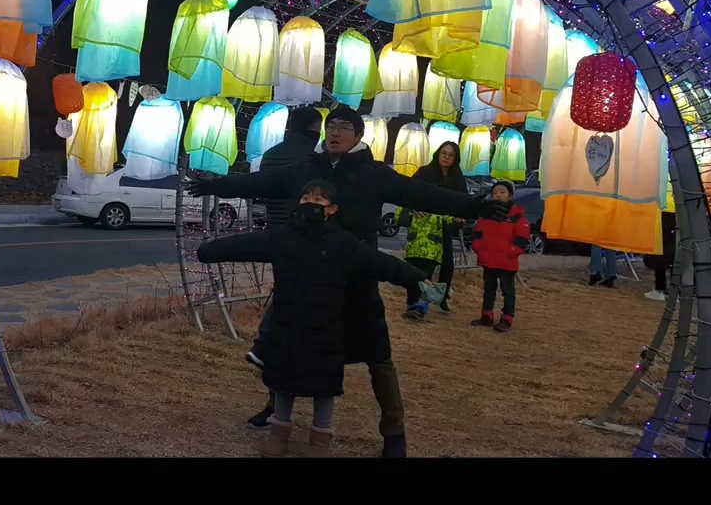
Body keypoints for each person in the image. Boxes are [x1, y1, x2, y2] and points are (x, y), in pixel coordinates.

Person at [185, 106, 509, 457]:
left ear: (358, 135)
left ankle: (393, 431)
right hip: (306, 277)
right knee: (286, 345)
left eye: (343, 127)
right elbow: (261, 182)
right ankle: (274, 410)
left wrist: (474, 207)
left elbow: (423, 194)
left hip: (356, 274)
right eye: (330, 127)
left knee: (377, 355)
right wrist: (216, 185)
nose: (335, 133)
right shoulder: (307, 170)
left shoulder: (374, 174)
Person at [197, 180, 433, 458]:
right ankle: (278, 434)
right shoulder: (283, 236)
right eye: (306, 198)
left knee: (324, 388)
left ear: (332, 209)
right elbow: (244, 244)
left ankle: (320, 442)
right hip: (287, 324)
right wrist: (208, 251)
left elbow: (381, 264)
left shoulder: (344, 243)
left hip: (327, 328)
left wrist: (417, 278)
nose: (310, 203)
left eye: (318, 201)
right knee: (283, 383)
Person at [244, 106, 322, 371]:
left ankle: (269, 350)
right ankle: (270, 348)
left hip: (276, 228)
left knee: (286, 287)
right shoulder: (315, 157)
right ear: (315, 128)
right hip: (306, 233)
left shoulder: (271, 154)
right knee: (298, 295)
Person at [398, 142, 469, 321]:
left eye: (450, 155)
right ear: (437, 154)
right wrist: (414, 208)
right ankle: (417, 302)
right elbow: (408, 192)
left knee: (447, 265)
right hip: (423, 227)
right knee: (419, 266)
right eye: (443, 153)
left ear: (455, 158)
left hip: (445, 226)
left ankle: (442, 297)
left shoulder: (457, 178)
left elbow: (463, 203)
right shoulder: (425, 172)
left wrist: (459, 218)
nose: (446, 157)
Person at [470, 181, 529, 332]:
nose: (498, 195)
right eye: (495, 193)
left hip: (507, 260)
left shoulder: (516, 215)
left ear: (510, 195)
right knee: (488, 288)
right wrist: (478, 247)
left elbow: (522, 238)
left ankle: (507, 318)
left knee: (507, 290)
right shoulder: (486, 214)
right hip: (488, 258)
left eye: (502, 192)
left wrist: (511, 251)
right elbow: (477, 233)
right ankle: (487, 315)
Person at [642, 209, 676, 301]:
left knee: (659, 255)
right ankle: (675, 291)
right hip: (676, 217)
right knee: (674, 256)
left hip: (662, 216)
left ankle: (660, 289)